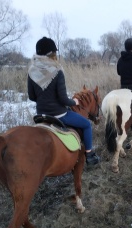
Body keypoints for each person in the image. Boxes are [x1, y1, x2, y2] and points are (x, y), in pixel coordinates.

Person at [27, 37, 100, 166]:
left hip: (40, 115)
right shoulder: (57, 71)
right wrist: (75, 102)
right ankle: (89, 154)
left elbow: (32, 97)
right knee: (86, 125)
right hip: (59, 114)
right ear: (52, 54)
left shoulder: (32, 71)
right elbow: (63, 99)